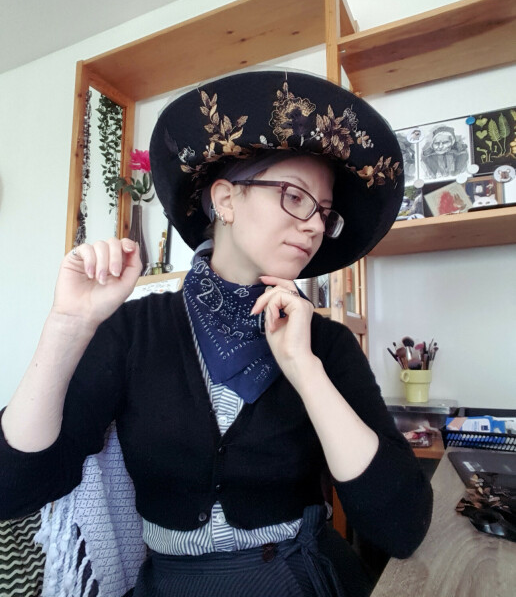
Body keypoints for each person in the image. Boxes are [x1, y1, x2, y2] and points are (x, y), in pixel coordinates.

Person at [0, 70, 432, 597]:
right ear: (225, 200)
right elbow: (13, 488)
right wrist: (67, 325)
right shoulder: (136, 331)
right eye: (295, 197)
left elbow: (402, 526)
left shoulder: (326, 344)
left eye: (324, 211)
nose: (316, 225)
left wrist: (305, 371)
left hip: (299, 577)